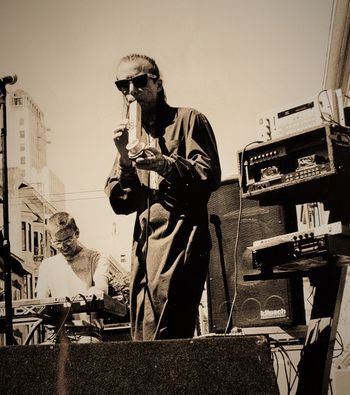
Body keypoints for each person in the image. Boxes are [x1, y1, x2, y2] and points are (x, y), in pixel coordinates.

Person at [104, 54, 221, 341]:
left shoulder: (188, 119)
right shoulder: (133, 135)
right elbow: (122, 203)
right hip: (143, 246)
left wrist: (164, 164)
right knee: (142, 337)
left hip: (181, 238)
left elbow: (209, 174)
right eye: (122, 85)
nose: (131, 92)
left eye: (139, 81)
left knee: (169, 333)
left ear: (157, 83)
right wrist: (123, 159)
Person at [36, 212, 110, 343]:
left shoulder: (96, 258)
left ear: (77, 233)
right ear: (50, 240)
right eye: (57, 242)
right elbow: (40, 302)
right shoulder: (47, 266)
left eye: (68, 240)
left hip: (88, 332)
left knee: (85, 350)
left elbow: (101, 289)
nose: (63, 246)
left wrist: (96, 290)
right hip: (56, 334)